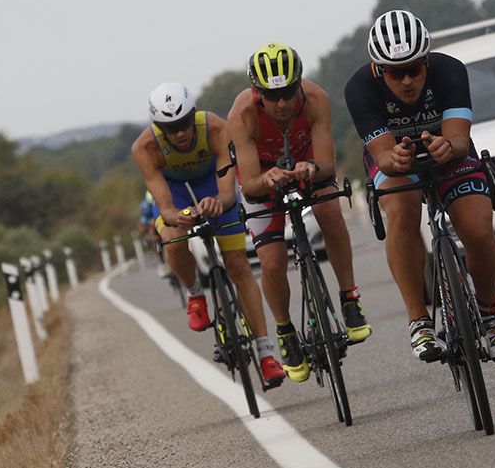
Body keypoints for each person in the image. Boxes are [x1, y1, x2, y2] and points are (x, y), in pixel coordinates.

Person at [344, 9, 495, 365]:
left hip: (448, 151)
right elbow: (383, 155)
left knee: (477, 229)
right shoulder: (359, 87)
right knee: (402, 211)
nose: (407, 80)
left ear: (427, 61)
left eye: (414, 69)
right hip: (396, 157)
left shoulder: (450, 70)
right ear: (379, 70)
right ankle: (419, 320)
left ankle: (490, 313)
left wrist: (447, 147)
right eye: (396, 73)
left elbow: (459, 139)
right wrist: (394, 158)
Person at [227, 43, 371, 384]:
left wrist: (312, 168)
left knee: (329, 209)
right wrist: (267, 179)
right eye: (271, 96)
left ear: (299, 85)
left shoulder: (317, 99)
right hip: (263, 178)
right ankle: (286, 331)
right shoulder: (243, 114)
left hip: (308, 164)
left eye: (288, 93)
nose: (281, 103)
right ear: (257, 92)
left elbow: (327, 165)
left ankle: (349, 297)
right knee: (272, 260)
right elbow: (249, 185)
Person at [131, 82, 286, 386]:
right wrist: (179, 216)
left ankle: (266, 354)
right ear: (158, 127)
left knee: (239, 267)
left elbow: (228, 192)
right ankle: (194, 293)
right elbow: (165, 208)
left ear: (194, 115)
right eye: (170, 128)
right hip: (176, 194)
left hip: (214, 186)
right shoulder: (145, 148)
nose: (179, 133)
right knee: (173, 241)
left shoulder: (215, 128)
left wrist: (218, 202)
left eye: (184, 123)